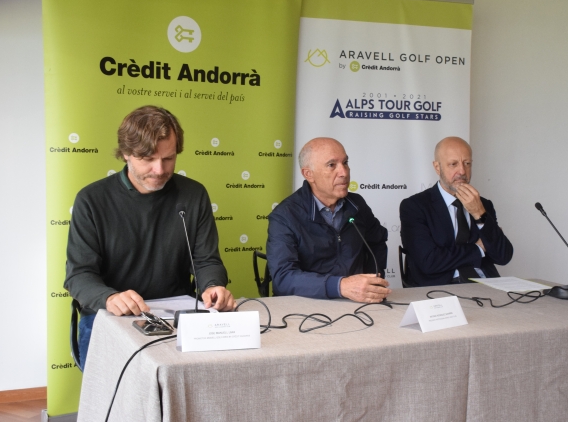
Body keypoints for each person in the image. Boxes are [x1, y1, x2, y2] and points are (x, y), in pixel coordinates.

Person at [64, 105, 235, 365]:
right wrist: (109, 297)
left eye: (168, 159)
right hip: (110, 315)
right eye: (148, 159)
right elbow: (79, 275)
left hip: (177, 313)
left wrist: (213, 286)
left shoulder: (193, 194)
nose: (159, 169)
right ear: (125, 153)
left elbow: (206, 260)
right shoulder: (92, 200)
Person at [266, 137, 391, 302]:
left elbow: (378, 241)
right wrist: (341, 286)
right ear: (308, 174)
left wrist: (371, 281)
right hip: (305, 305)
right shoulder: (285, 215)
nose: (344, 173)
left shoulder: (357, 204)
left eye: (345, 163)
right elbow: (283, 278)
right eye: (332, 165)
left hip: (355, 303)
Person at [399, 136, 513, 286]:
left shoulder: (483, 204)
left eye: (467, 163)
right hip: (438, 289)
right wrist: (478, 249)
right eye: (453, 164)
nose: (462, 171)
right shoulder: (415, 206)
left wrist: (480, 214)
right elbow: (429, 261)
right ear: (437, 167)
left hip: (484, 286)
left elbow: (503, 256)